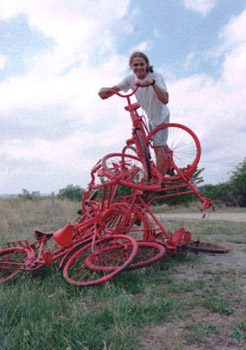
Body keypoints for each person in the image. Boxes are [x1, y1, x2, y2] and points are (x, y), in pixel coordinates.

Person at [98, 51, 170, 176]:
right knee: (156, 145)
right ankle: (167, 157)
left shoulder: (156, 77)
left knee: (158, 147)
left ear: (147, 64)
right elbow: (114, 90)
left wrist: (152, 84)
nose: (139, 68)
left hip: (160, 115)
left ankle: (161, 183)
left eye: (142, 64)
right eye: (135, 65)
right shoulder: (130, 78)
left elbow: (165, 100)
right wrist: (105, 91)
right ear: (131, 66)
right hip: (150, 115)